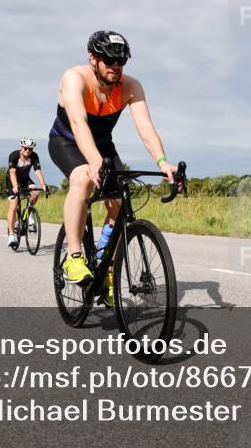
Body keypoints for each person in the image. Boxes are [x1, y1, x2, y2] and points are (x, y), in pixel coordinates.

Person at [48, 31, 176, 305]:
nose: (115, 67)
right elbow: (79, 124)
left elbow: (145, 127)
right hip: (67, 141)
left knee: (119, 202)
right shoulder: (74, 78)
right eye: (109, 60)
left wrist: (162, 161)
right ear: (93, 58)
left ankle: (106, 265)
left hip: (104, 146)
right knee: (83, 178)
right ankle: (74, 256)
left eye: (121, 62)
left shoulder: (131, 86)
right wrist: (93, 162)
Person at [5, 137, 48, 248]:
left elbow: (37, 171)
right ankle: (11, 235)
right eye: (26, 148)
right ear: (21, 147)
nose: (28, 151)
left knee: (35, 192)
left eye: (30, 149)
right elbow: (12, 171)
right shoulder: (14, 156)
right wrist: (15, 186)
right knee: (13, 205)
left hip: (25, 179)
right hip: (12, 180)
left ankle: (29, 213)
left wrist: (43, 185)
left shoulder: (34, 156)